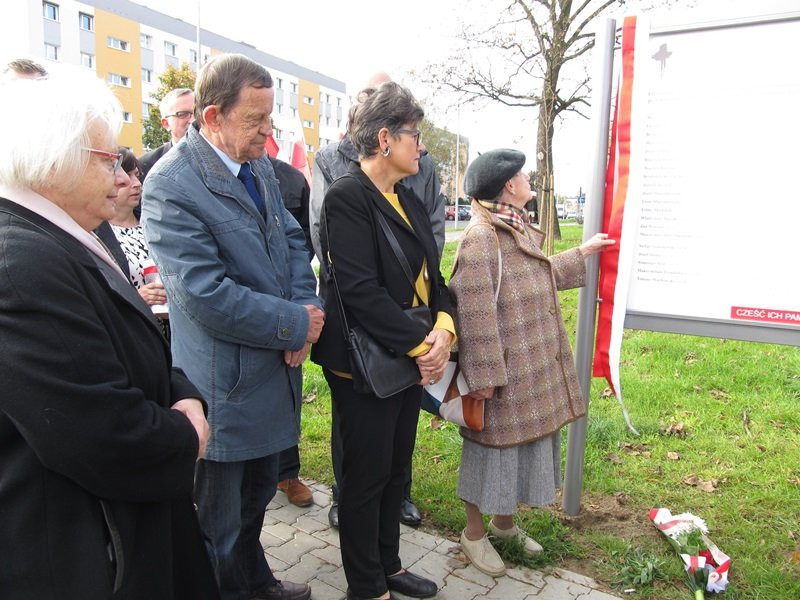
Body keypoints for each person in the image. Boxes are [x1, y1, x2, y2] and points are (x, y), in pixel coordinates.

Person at [0, 68, 218, 599]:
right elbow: (97, 433)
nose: (123, 173)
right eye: (110, 158)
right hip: (88, 552)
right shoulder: (21, 261)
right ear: (58, 157)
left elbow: (124, 348)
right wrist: (185, 434)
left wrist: (182, 394)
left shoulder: (66, 233)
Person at [142, 53, 323, 600]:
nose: (268, 134)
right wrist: (292, 324)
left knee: (256, 500)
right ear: (214, 115)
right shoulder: (171, 185)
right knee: (217, 521)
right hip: (224, 385)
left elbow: (293, 240)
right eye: (256, 121)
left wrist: (304, 314)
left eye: (272, 120)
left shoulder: (256, 164)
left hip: (273, 369)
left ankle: (253, 581)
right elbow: (204, 294)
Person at [311, 81, 453, 600]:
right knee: (364, 478)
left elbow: (437, 284)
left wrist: (443, 332)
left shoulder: (409, 199)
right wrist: (424, 347)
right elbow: (360, 294)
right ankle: (365, 585)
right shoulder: (348, 197)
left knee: (395, 469)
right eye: (415, 134)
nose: (422, 145)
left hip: (409, 358)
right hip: (363, 364)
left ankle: (389, 565)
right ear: (386, 138)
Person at [448, 149, 614, 577]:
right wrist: (483, 379)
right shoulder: (482, 237)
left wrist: (582, 253)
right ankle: (473, 534)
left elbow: (536, 273)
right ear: (508, 186)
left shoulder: (513, 226)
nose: (530, 180)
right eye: (524, 175)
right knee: (488, 455)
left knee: (517, 452)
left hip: (527, 372)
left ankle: (504, 526)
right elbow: (473, 311)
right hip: (500, 377)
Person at [139, 87, 194, 181]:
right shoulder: (146, 165)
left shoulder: (221, 156)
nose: (193, 120)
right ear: (166, 124)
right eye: (183, 114)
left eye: (197, 112)